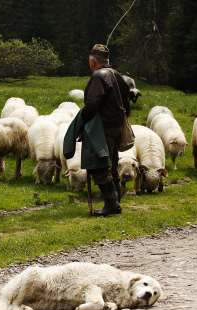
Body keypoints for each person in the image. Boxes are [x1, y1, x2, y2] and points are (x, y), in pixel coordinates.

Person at [80, 44, 131, 217]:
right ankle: (115, 201)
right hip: (116, 126)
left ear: (94, 62)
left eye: (89, 61)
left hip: (102, 128)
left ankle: (111, 203)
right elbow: (128, 98)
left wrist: (82, 120)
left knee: (99, 165)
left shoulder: (98, 76)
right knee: (113, 163)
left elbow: (93, 104)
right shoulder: (116, 75)